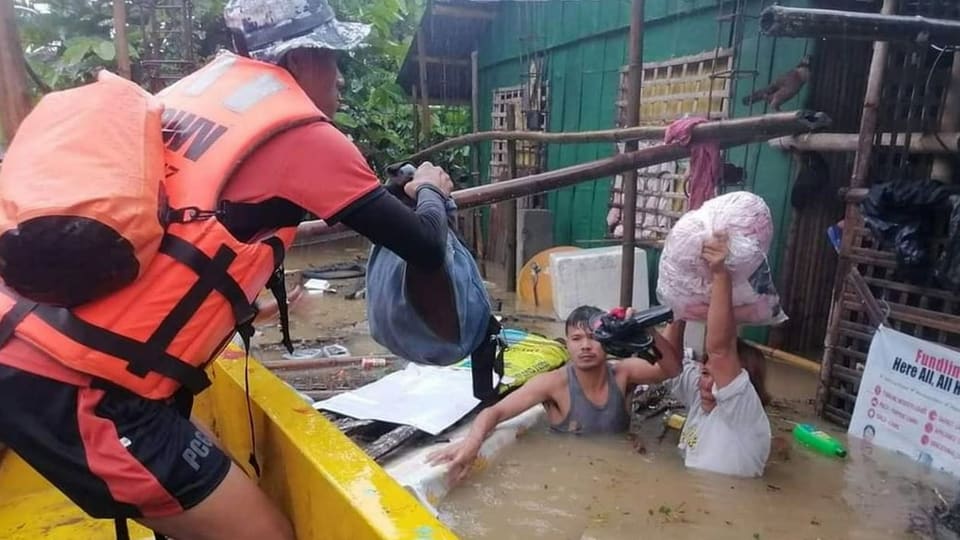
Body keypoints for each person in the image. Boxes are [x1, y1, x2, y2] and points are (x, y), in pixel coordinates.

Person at [0, 1, 460, 539]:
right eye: (334, 58)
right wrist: (431, 188)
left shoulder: (190, 100)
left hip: (22, 337)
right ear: (303, 56)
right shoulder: (303, 137)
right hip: (84, 388)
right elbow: (426, 246)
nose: (338, 77)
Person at [427, 305, 683, 484]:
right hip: (569, 472)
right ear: (567, 343)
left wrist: (645, 329)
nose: (585, 345)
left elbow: (671, 369)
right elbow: (495, 412)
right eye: (576, 338)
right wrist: (472, 443)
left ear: (607, 340)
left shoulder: (623, 373)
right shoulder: (553, 384)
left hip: (621, 469)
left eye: (594, 338)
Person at [660, 231, 773, 478]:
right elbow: (670, 368)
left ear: (743, 385)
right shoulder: (701, 399)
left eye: (718, 377)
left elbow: (720, 351)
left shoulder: (744, 415)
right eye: (704, 372)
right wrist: (680, 304)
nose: (706, 382)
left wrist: (721, 274)